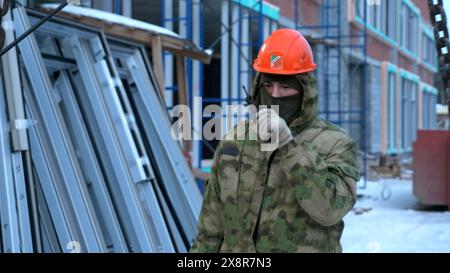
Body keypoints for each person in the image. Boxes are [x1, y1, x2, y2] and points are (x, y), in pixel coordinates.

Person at [190, 29, 360, 253]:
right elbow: (211, 225)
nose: (275, 95)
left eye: (286, 87)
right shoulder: (237, 139)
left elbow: (330, 210)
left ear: (305, 91)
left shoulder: (334, 143)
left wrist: (288, 146)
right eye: (268, 86)